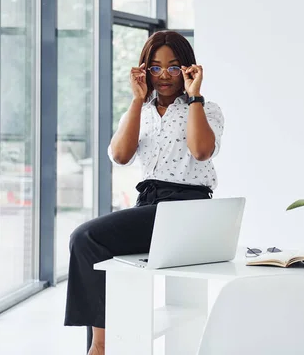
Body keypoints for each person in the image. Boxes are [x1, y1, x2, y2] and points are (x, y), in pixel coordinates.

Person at [63, 30, 224, 355]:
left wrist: (195, 97)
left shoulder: (207, 109)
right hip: (149, 206)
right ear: (144, 70)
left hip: (187, 208)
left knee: (85, 237)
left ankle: (100, 346)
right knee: (90, 244)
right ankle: (103, 341)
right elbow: (120, 156)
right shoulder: (140, 112)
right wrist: (137, 100)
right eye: (155, 67)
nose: (164, 75)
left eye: (174, 66)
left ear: (188, 69)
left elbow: (201, 151)